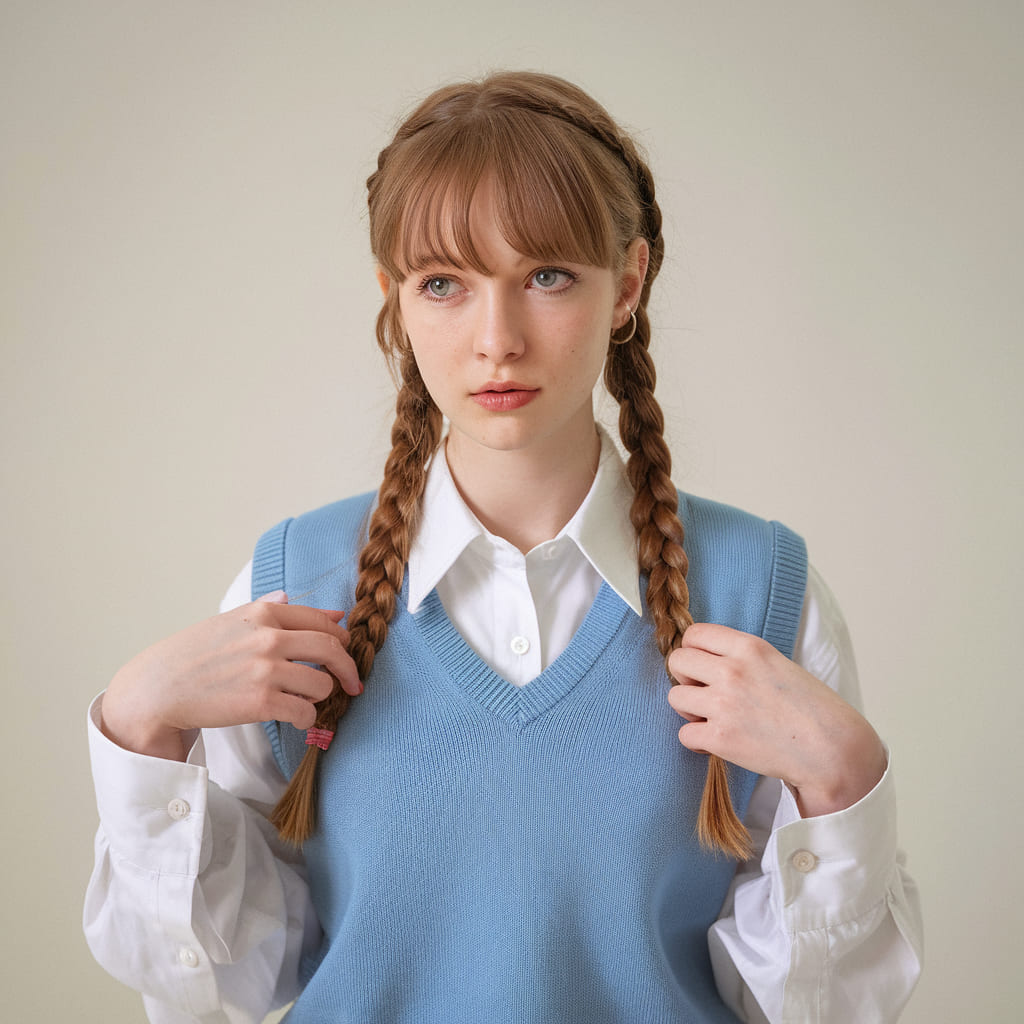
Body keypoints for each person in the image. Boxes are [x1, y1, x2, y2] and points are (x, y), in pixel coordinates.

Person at [84, 71, 922, 1023]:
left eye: (547, 277)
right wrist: (140, 730)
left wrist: (847, 783)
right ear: (395, 300)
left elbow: (812, 1012)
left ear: (629, 284)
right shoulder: (293, 589)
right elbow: (222, 989)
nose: (497, 340)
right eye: (444, 284)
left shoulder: (763, 591)